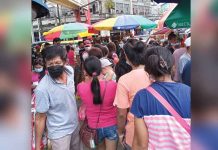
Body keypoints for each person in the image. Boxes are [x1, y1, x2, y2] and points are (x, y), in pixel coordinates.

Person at [131, 46, 191, 149]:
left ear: (148, 71)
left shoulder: (141, 97)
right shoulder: (190, 93)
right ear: (173, 67)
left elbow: (141, 145)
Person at [35, 46, 83, 150]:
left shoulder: (70, 71)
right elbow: (40, 118)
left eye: (57, 63)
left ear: (65, 61)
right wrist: (38, 146)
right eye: (50, 64)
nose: (54, 66)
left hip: (75, 125)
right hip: (59, 133)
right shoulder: (42, 89)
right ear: (45, 64)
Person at [113, 39, 151, 149]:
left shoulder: (124, 80)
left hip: (134, 133)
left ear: (127, 56)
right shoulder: (155, 74)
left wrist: (120, 132)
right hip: (157, 130)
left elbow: (121, 113)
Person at [77, 56, 118, 150]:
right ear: (101, 69)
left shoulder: (80, 87)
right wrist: (110, 73)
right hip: (111, 125)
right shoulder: (113, 85)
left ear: (85, 71)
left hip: (93, 127)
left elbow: (93, 85)